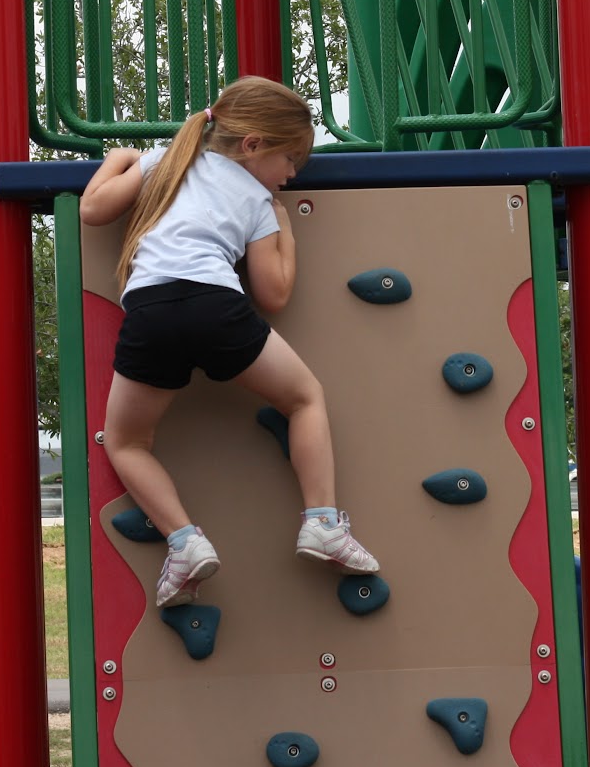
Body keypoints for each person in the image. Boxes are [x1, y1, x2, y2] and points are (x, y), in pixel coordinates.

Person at [80, 76, 380, 608]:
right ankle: (322, 522)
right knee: (304, 399)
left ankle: (183, 542)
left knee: (126, 443)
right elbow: (273, 293)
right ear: (253, 144)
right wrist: (285, 231)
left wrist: (120, 159)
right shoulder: (259, 200)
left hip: (150, 312)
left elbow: (92, 209)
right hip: (214, 307)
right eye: (290, 159)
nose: (291, 175)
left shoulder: (164, 163)